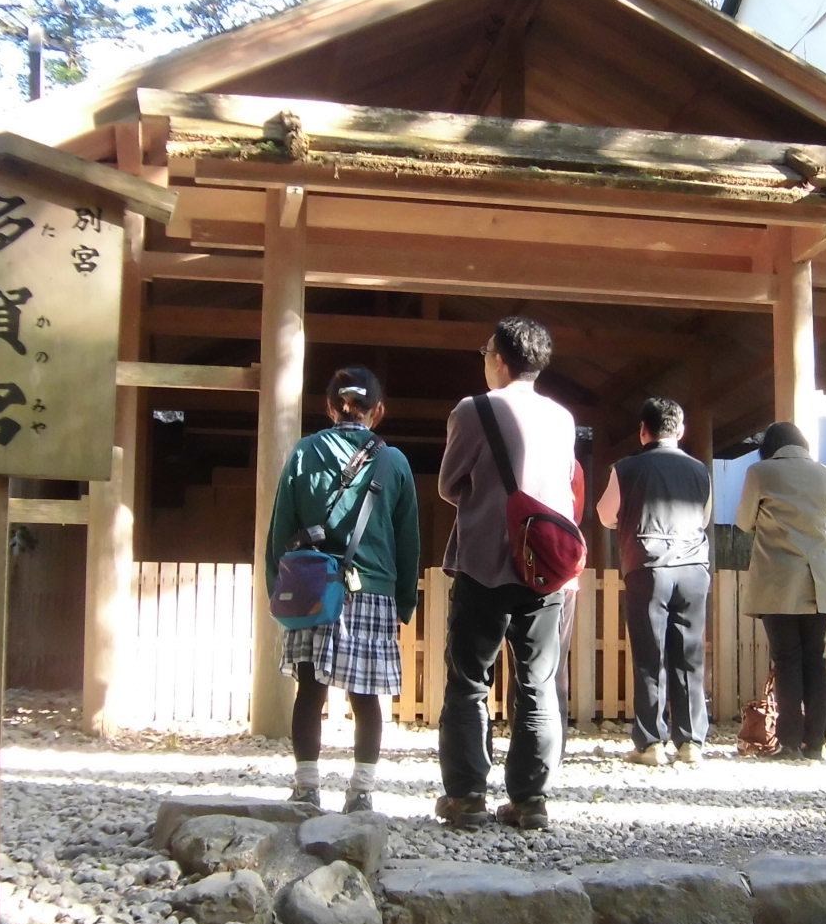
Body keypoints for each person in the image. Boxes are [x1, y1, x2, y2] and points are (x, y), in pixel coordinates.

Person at [435, 316, 578, 830]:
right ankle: (530, 800)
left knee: (470, 679)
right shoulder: (563, 418)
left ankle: (468, 796)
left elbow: (451, 485)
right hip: (547, 569)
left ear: (498, 359)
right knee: (538, 681)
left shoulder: (472, 410)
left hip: (484, 560)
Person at [264, 366, 420, 813]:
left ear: (330, 407)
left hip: (312, 584)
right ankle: (362, 791)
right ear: (379, 412)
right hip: (372, 589)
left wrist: (278, 588)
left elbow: (280, 531)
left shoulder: (303, 452)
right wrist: (405, 600)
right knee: (366, 693)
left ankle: (306, 786)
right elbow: (408, 541)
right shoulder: (395, 462)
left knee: (309, 688)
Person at [597, 397, 712, 766]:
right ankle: (691, 742)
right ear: (680, 430)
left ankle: (650, 744)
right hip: (693, 566)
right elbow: (705, 517)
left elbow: (604, 515)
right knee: (689, 654)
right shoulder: (699, 471)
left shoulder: (626, 468)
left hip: (648, 566)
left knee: (650, 655)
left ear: (642, 431)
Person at [734, 421, 826, 759]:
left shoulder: (761, 472)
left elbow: (743, 521)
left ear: (771, 446)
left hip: (779, 579)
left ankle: (790, 741)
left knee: (787, 659)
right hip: (819, 579)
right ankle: (817, 744)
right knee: (815, 659)